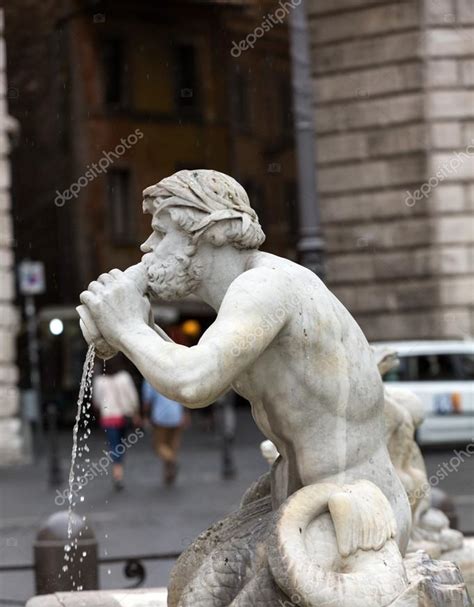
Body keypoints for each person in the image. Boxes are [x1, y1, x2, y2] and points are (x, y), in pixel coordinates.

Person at [80, 169, 411, 552]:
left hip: (351, 519)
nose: (146, 246)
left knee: (220, 606)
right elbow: (195, 370)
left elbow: (193, 383)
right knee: (197, 591)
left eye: (161, 231)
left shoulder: (266, 286)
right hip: (305, 505)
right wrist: (139, 327)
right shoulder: (246, 298)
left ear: (216, 231)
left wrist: (126, 328)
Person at [93, 357, 140, 490]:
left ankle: (117, 473)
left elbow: (96, 400)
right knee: (121, 444)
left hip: (108, 418)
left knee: (114, 445)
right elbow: (132, 397)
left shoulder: (99, 381)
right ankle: (118, 471)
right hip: (123, 416)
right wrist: (135, 412)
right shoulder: (124, 377)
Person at [142, 380, 186, 485]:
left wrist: (145, 416)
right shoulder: (175, 375)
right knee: (172, 446)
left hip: (161, 418)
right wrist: (185, 413)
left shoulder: (150, 377)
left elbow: (147, 401)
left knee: (158, 447)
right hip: (176, 415)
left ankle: (172, 460)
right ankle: (168, 474)